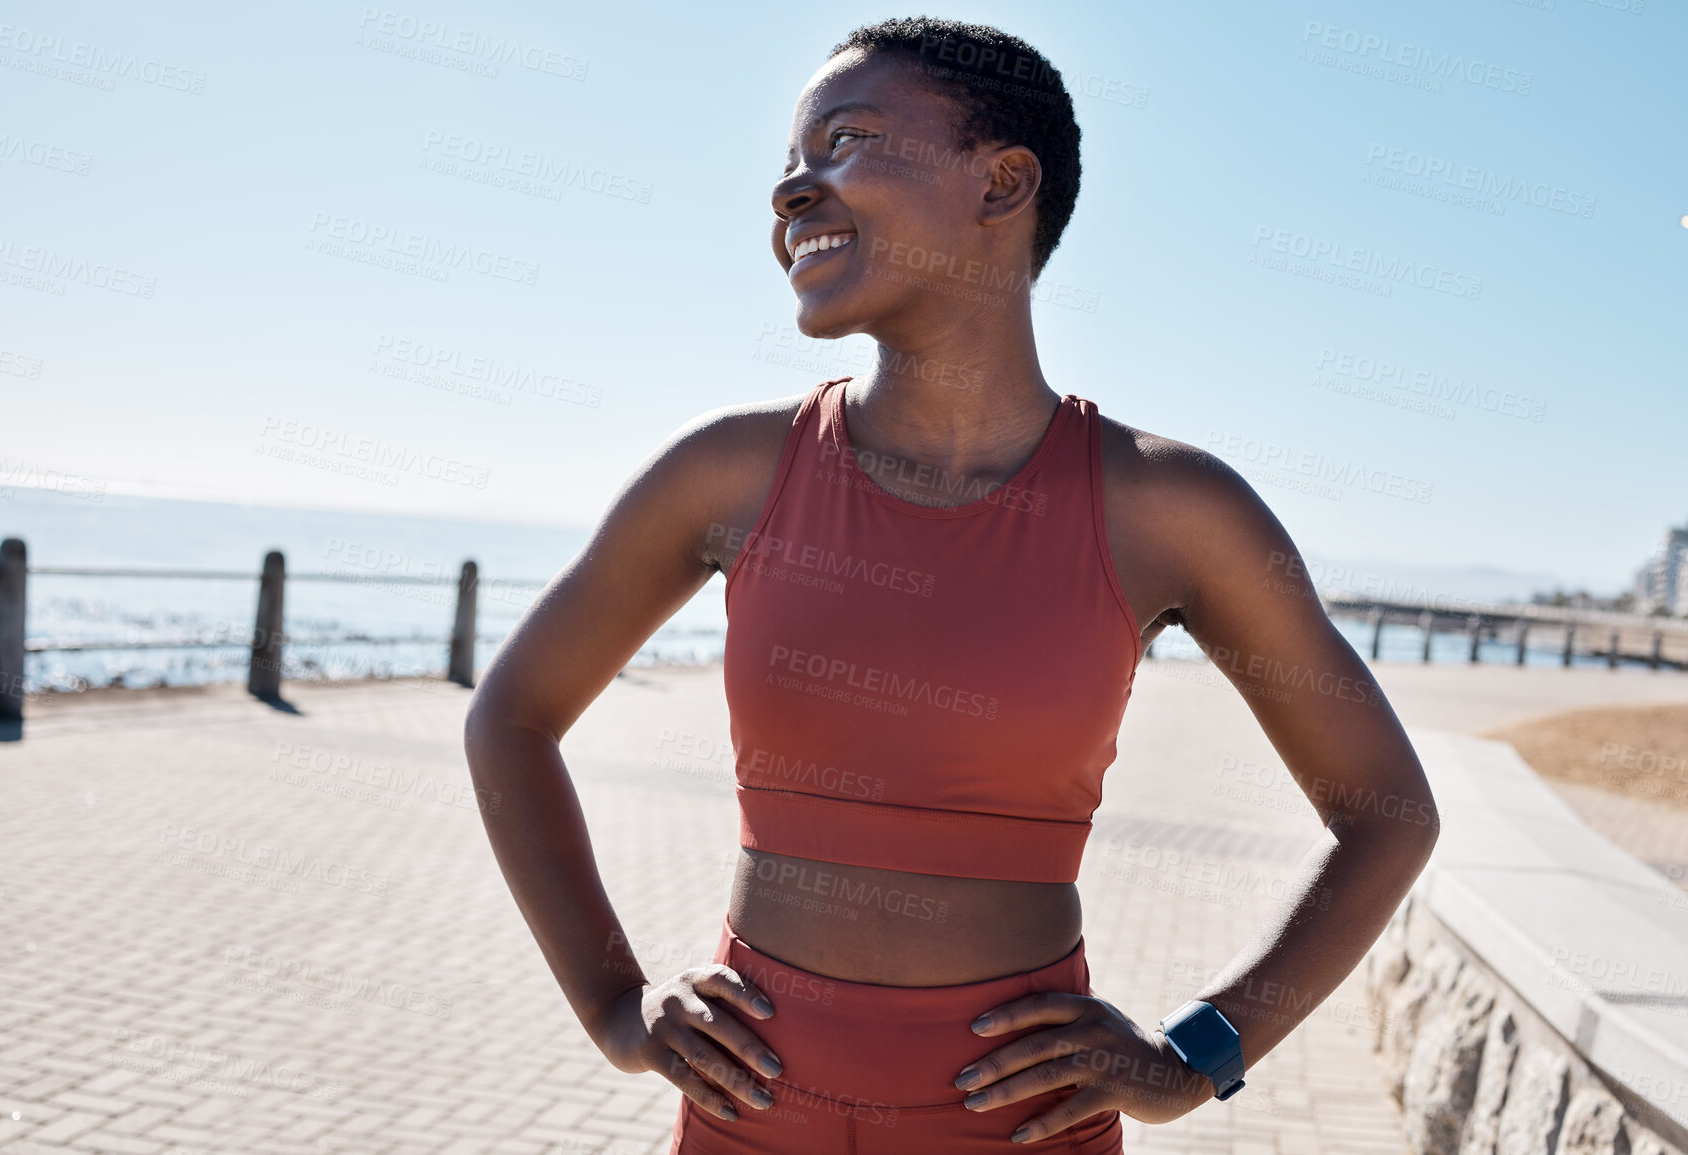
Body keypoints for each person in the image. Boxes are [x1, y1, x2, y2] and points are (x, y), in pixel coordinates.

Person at [463, 16, 1439, 1153]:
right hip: (746, 1112)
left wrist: (1194, 1057)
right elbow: (512, 719)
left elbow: (1387, 814)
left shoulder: (1170, 507)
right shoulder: (726, 472)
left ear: (1002, 182)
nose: (792, 193)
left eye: (846, 141)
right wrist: (614, 1007)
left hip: (1023, 1127)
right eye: (789, 165)